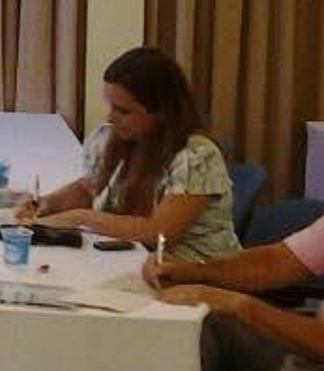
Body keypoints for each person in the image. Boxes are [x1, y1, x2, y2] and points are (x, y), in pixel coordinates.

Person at [15, 45, 239, 260]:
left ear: (161, 111)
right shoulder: (120, 140)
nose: (110, 118)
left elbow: (155, 234)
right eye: (111, 107)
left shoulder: (197, 156)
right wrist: (47, 203)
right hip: (139, 261)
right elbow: (90, 187)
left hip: (198, 272)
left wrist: (81, 218)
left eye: (123, 111)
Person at [145, 212, 324, 371]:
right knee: (203, 322)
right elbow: (276, 261)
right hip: (313, 351)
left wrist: (239, 305)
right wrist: (195, 271)